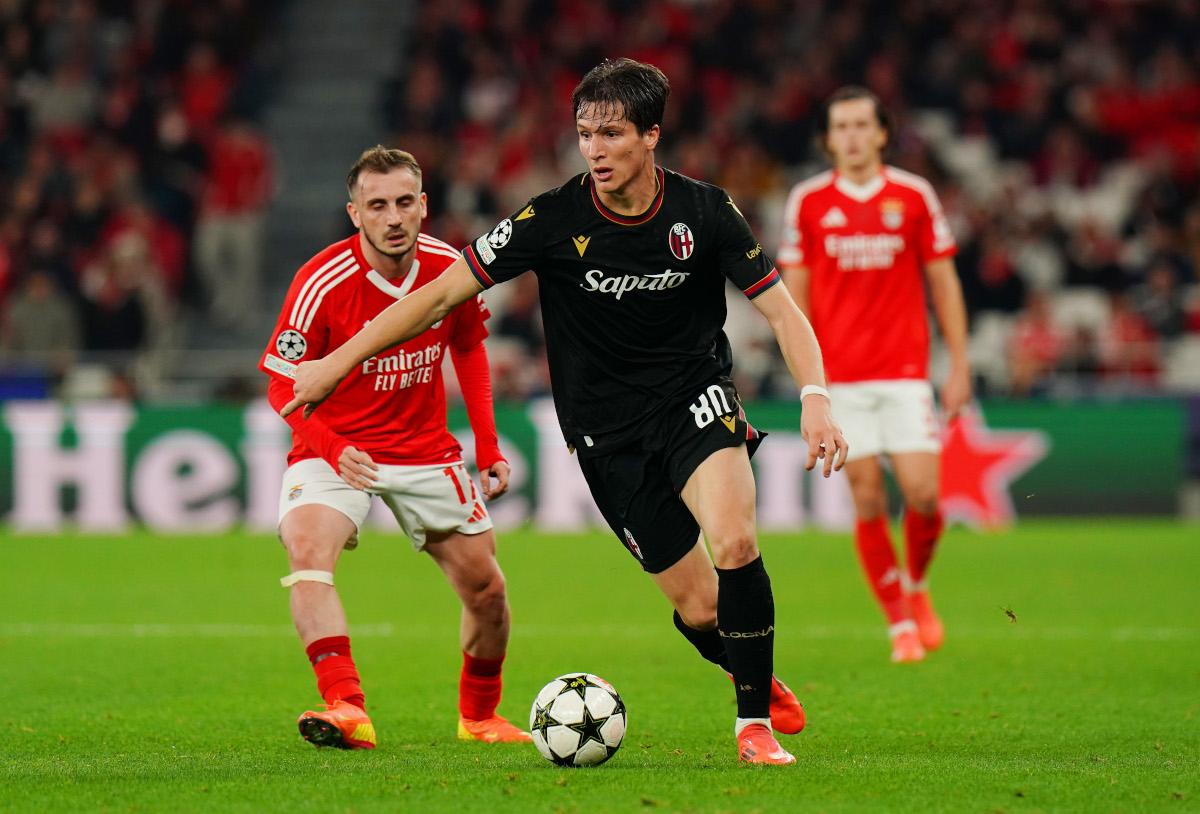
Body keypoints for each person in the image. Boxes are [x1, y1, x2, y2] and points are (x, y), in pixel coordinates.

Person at [284, 59, 847, 766]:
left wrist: (816, 398)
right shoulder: (551, 219)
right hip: (605, 435)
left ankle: (751, 723)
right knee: (702, 608)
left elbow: (781, 309)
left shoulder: (706, 212)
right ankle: (750, 667)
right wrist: (335, 364)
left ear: (650, 135)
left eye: (611, 133)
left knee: (735, 542)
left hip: (694, 399)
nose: (595, 149)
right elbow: (434, 299)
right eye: (585, 133)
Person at [259, 146, 531, 750]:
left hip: (423, 450)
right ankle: (345, 706)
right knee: (306, 550)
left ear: (423, 206)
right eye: (377, 205)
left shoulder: (449, 267)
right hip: (335, 447)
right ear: (354, 213)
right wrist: (329, 447)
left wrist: (487, 444)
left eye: (405, 202)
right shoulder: (319, 281)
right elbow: (281, 382)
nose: (393, 217)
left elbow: (468, 347)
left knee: (487, 592)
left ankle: (480, 717)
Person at [777, 86, 972, 663]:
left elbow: (944, 282)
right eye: (842, 126)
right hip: (841, 380)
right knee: (866, 499)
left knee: (924, 494)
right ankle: (898, 625)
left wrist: (960, 363)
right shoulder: (808, 201)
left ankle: (916, 586)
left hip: (906, 372)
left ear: (883, 132)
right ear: (828, 138)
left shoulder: (914, 195)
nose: (853, 136)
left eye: (863, 124)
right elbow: (794, 299)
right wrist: (810, 384)